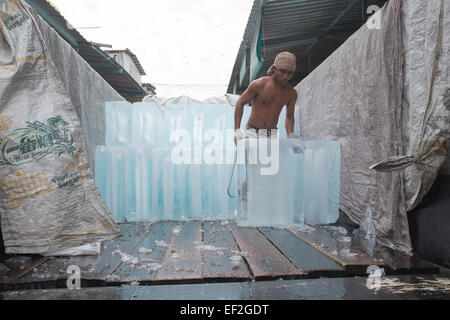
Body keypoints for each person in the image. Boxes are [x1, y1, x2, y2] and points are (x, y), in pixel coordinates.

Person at [234, 51, 300, 142]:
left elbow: (289, 116)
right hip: (252, 132)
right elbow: (240, 102)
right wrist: (237, 129)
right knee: (248, 156)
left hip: (271, 135)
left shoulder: (291, 93)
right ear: (274, 68)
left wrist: (290, 134)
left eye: (290, 73)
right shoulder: (259, 84)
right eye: (283, 71)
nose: (286, 76)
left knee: (271, 156)